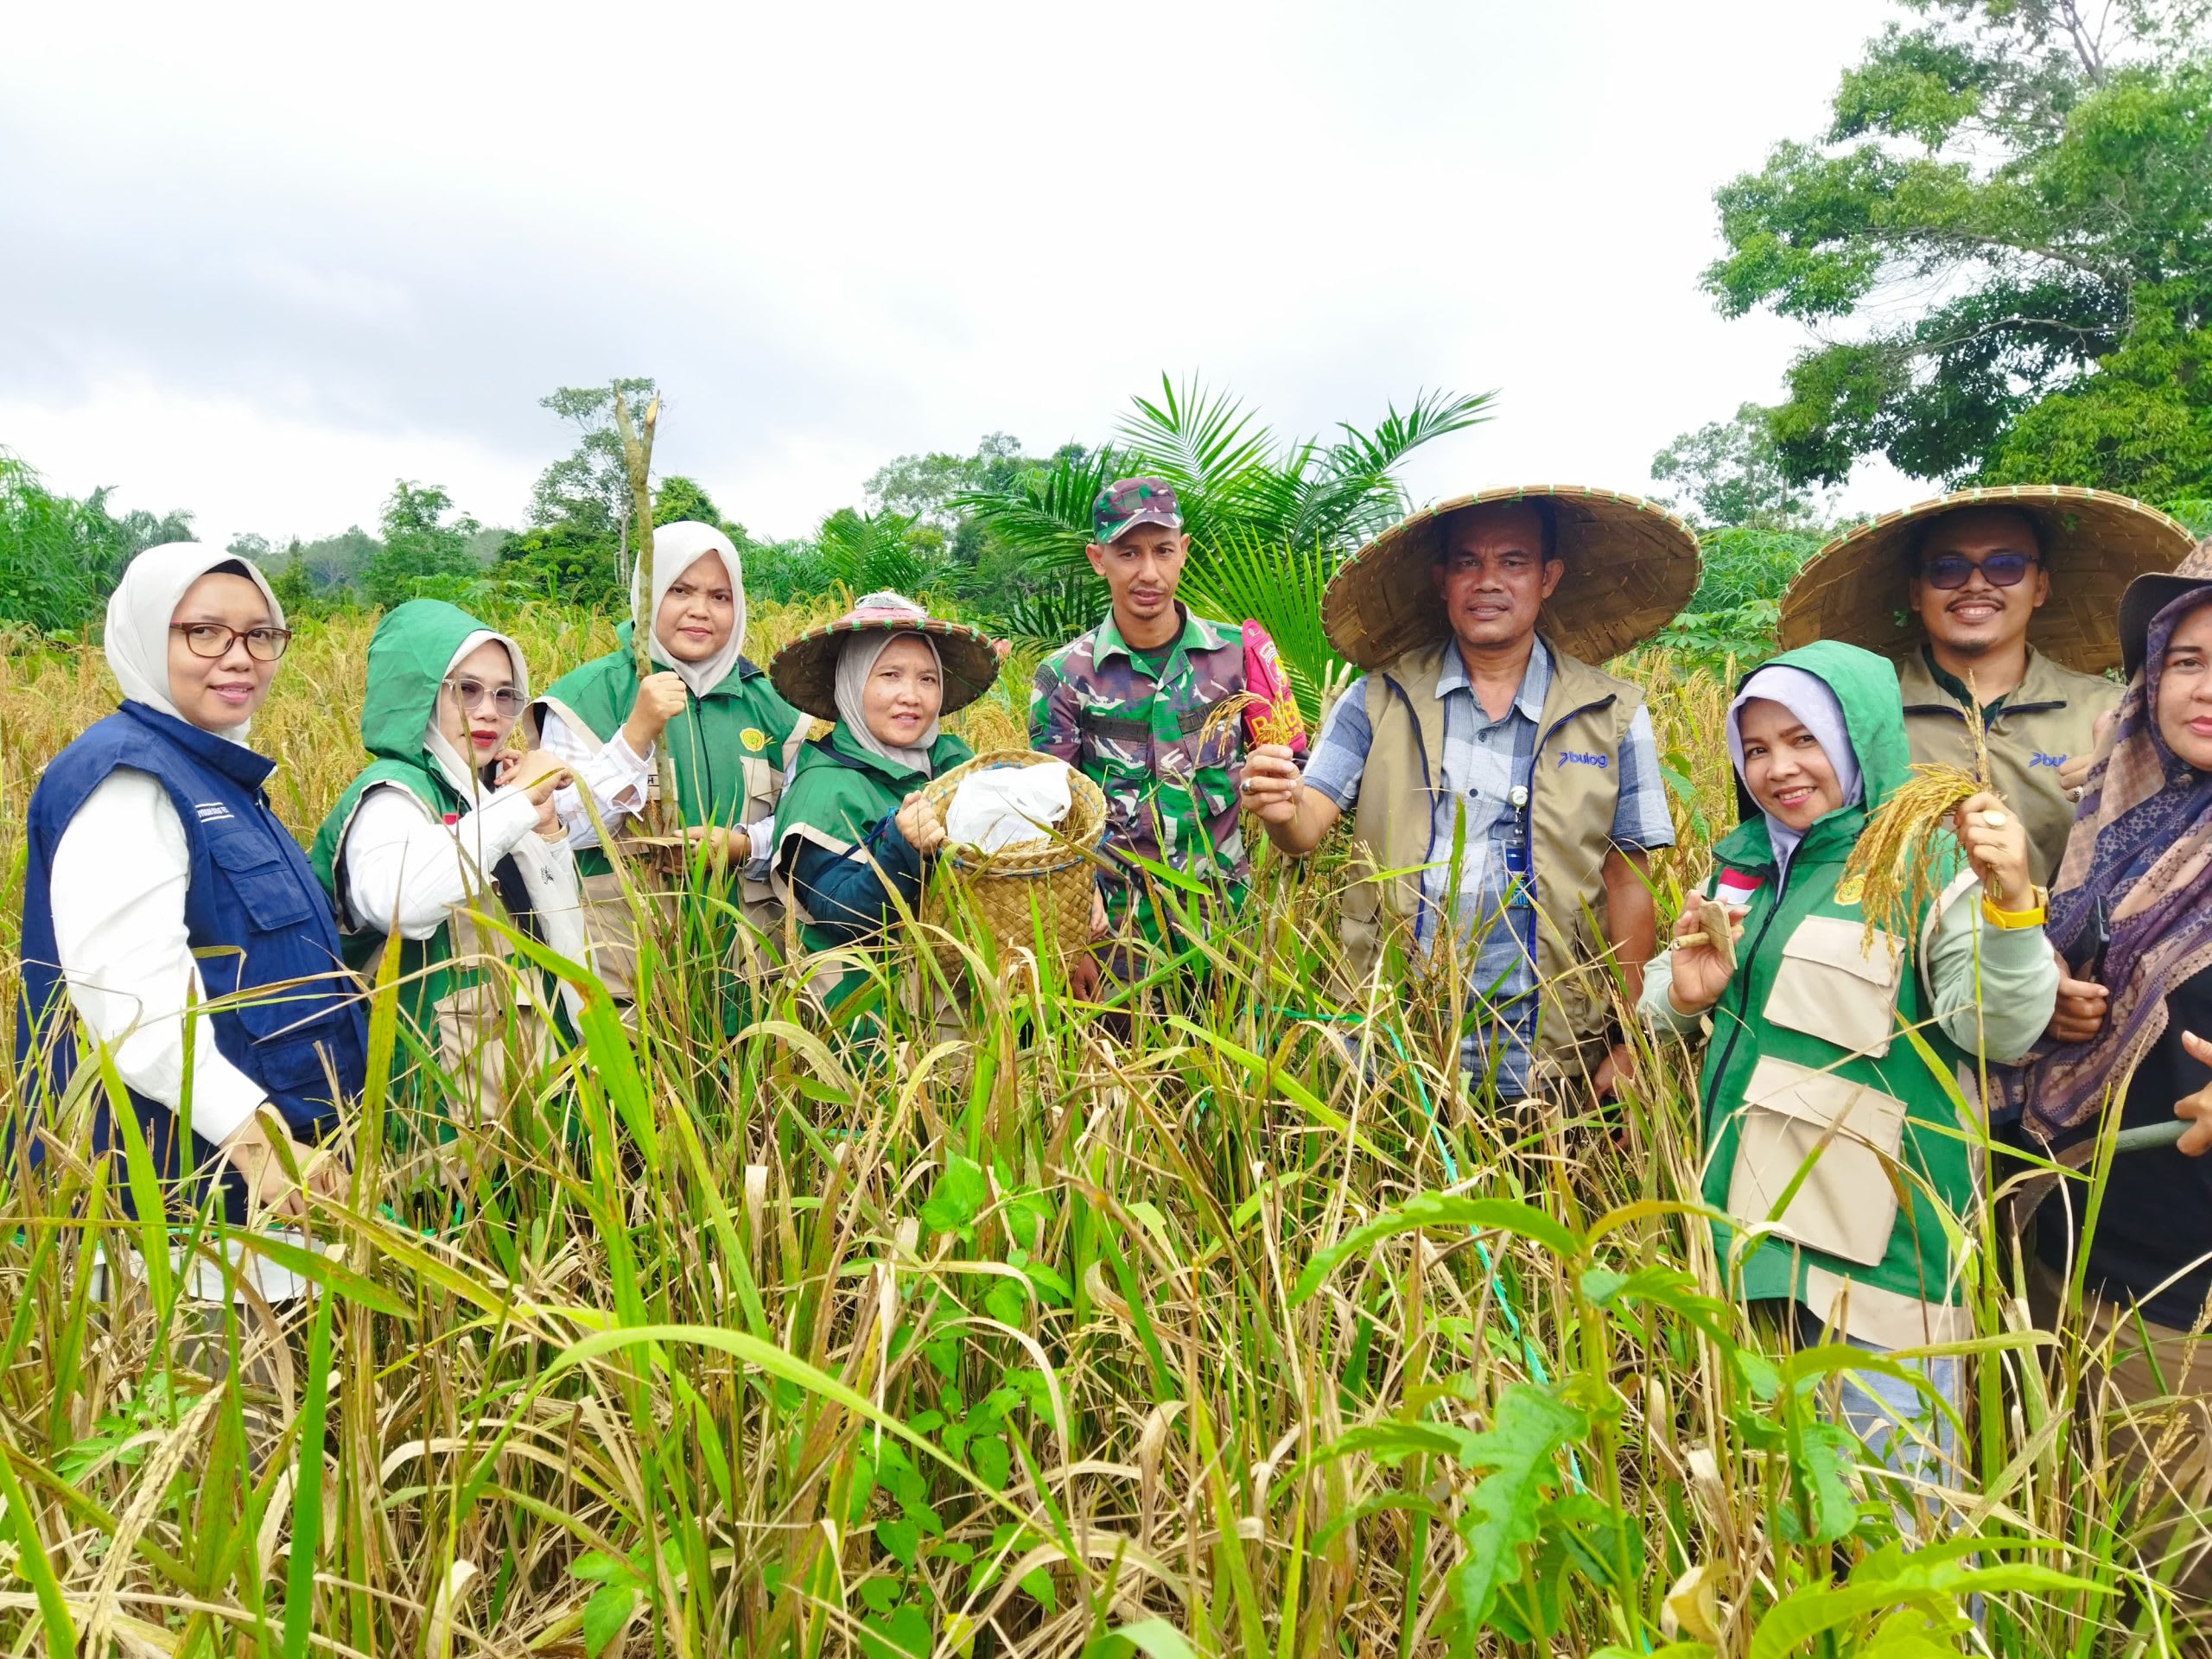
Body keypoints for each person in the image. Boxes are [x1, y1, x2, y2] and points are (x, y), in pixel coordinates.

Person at [1640, 641, 2056, 1494]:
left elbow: (2000, 1030)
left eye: (1802, 740)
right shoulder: (1743, 865)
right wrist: (1684, 1000)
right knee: (1781, 1522)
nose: (1777, 769)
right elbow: (1660, 1006)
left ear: (1858, 737)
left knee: (1903, 1539)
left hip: (1879, 1272)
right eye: (1754, 748)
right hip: (1747, 1250)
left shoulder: (1929, 862)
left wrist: (2013, 904)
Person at [1242, 486, 1698, 1103]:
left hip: (1556, 1041)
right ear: (1442, 580)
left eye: (1513, 562)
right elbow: (1304, 828)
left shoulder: (1610, 714)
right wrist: (1277, 808)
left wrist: (1628, 1039)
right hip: (1396, 1033)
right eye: (1467, 563)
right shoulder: (1379, 699)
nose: (1488, 581)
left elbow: (1628, 881)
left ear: (1548, 578)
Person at [15, 544, 367, 1293]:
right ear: (149, 636)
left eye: (260, 635)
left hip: (252, 1198)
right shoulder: (129, 780)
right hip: (178, 1205)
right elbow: (136, 1006)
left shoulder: (218, 775)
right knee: (221, 1402)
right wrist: (261, 1143)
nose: (238, 658)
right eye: (203, 632)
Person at [2006, 537, 2212, 1617]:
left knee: (2180, 1580)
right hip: (2075, 1239)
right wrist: (2042, 970)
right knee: (2081, 1554)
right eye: (2187, 661)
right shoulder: (2125, 815)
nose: (2207, 689)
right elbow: (2070, 939)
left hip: (2189, 1286)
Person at [1779, 487, 2196, 888]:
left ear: (2040, 587)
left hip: (2063, 955)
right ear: (1916, 593)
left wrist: (2132, 789)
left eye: (2005, 566)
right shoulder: (1860, 713)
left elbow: (2183, 849)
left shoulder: (2116, 714)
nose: (1976, 584)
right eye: (1948, 569)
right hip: (1896, 950)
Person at [309, 600, 613, 1135]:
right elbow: (402, 901)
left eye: (503, 694)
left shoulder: (479, 791)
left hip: (521, 1076)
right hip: (439, 1104)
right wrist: (517, 801)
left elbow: (561, 922)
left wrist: (543, 828)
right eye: (466, 689)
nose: (490, 711)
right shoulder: (393, 795)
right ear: (419, 693)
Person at [1030, 478, 1303, 970]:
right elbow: (1051, 819)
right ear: (1099, 560)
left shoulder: (1239, 658)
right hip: (1114, 940)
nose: (1149, 572)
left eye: (1163, 550)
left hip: (1227, 928)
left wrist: (1278, 784)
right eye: (1128, 553)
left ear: (1184, 552)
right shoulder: (1065, 676)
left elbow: (1293, 770)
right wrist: (1073, 940)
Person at [530, 521, 806, 1001]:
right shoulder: (588, 697)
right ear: (647, 594)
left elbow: (802, 819)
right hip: (621, 958)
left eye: (720, 597)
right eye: (680, 590)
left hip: (748, 963)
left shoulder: (773, 707)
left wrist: (742, 845)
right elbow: (558, 833)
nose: (700, 610)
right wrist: (635, 735)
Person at [766, 593, 1000, 1005]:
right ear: (854, 683)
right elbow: (840, 912)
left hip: (966, 1003)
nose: (911, 695)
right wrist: (900, 847)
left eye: (927, 679)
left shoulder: (959, 766)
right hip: (872, 1023)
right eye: (890, 675)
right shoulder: (825, 785)